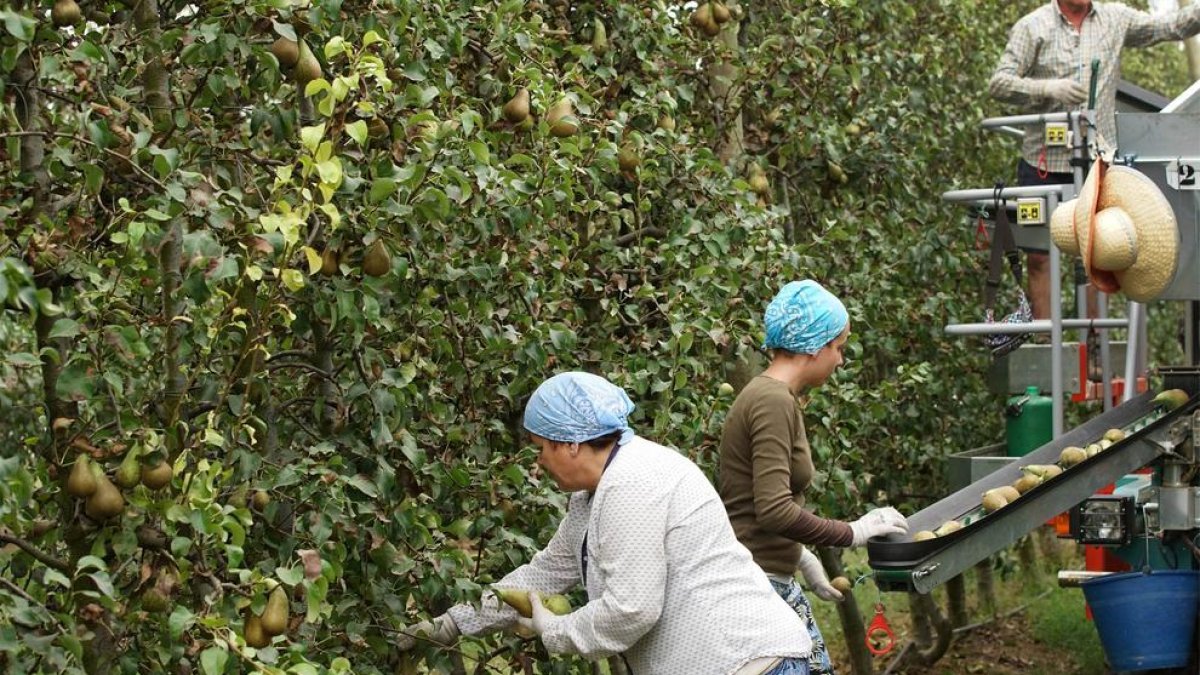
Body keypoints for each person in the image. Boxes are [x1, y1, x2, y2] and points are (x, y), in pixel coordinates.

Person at [396, 371, 815, 675]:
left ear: (571, 443)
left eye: (541, 448)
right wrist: (452, 623)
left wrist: (555, 630)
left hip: (745, 661)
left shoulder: (632, 482)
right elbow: (545, 573)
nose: (539, 462)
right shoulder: (595, 493)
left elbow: (632, 610)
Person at [718, 280, 909, 675]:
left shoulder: (770, 396)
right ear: (814, 346)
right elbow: (773, 509)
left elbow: (750, 497)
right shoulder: (772, 401)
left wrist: (799, 556)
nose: (840, 360)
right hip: (757, 588)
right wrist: (853, 532)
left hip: (768, 576)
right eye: (838, 347)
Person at [988, 0, 1200, 319]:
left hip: (1097, 161)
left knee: (1100, 251)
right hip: (1042, 162)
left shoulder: (1115, 18)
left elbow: (1170, 27)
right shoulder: (1032, 27)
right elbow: (999, 83)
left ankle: (1094, 340)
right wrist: (1048, 88)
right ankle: (1045, 340)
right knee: (1039, 257)